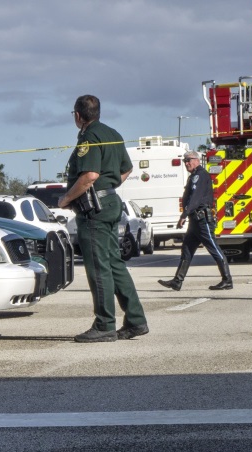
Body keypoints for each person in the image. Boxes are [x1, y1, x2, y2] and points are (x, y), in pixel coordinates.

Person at [58, 95, 148, 342]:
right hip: (109, 203)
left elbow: (90, 175)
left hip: (94, 210)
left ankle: (105, 324)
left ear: (78, 115)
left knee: (98, 268)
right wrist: (111, 185)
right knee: (114, 264)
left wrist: (66, 199)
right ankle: (136, 321)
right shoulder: (113, 133)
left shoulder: (90, 137)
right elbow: (127, 168)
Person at [159, 151, 232, 291]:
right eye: (184, 161)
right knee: (186, 249)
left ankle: (227, 280)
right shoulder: (194, 176)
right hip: (195, 221)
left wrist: (184, 215)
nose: (186, 163)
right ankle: (177, 281)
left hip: (202, 219)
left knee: (214, 249)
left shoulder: (200, 175)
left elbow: (196, 198)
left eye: (188, 160)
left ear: (197, 160)